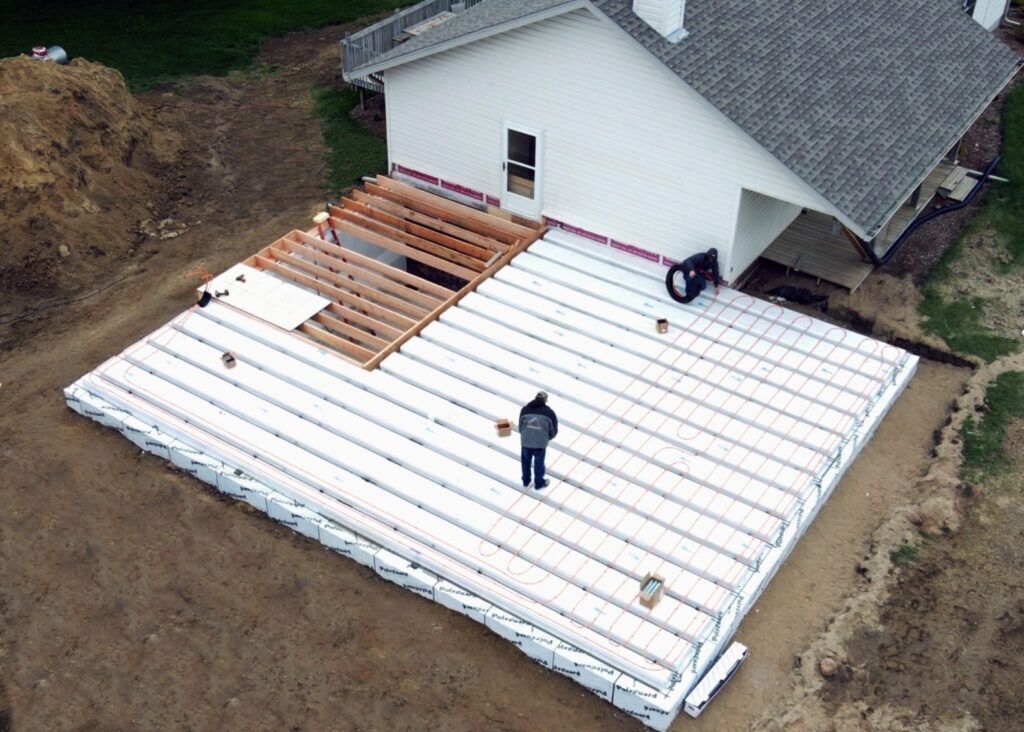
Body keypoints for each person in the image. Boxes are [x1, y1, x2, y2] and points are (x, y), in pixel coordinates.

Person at [519, 390, 558, 490]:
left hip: (526, 442)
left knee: (525, 462)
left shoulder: (525, 409)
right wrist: (546, 438)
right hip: (540, 444)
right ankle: (539, 483)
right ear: (545, 400)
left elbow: (520, 427)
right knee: (539, 464)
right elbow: (554, 430)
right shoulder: (549, 412)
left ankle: (526, 480)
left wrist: (526, 436)